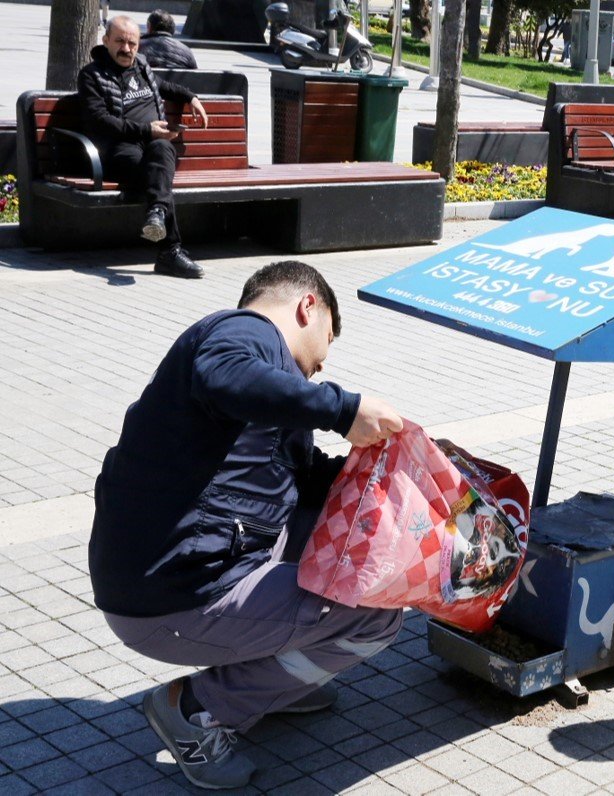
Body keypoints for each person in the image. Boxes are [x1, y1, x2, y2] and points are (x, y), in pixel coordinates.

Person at [90, 260, 405, 789]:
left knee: (348, 537)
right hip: (174, 597)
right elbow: (226, 375)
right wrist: (342, 409)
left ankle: (272, 680)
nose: (321, 366)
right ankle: (197, 710)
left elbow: (307, 480)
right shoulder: (242, 334)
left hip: (184, 572)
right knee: (376, 611)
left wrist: (394, 472)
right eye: (328, 339)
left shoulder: (263, 382)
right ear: (308, 307)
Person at [79, 17, 208, 278]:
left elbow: (164, 86)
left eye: (132, 43)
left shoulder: (141, 67)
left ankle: (157, 214)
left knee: (162, 150)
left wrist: (190, 97)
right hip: (118, 149)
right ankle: (169, 251)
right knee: (157, 175)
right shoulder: (92, 75)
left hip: (153, 147)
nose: (126, 49)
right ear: (106, 41)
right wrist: (147, 129)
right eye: (120, 41)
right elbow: (100, 120)